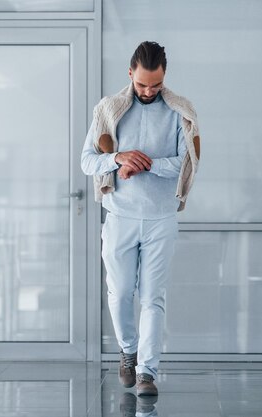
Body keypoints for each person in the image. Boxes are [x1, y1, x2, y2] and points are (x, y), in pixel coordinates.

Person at [81, 41, 201, 396]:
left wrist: (144, 163)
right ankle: (128, 352)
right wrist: (118, 158)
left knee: (153, 297)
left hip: (161, 218)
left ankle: (147, 371)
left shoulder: (182, 112)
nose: (149, 91)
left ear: (165, 77)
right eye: (142, 84)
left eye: (156, 85)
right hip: (119, 216)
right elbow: (87, 160)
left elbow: (188, 162)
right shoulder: (108, 110)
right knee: (119, 293)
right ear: (130, 74)